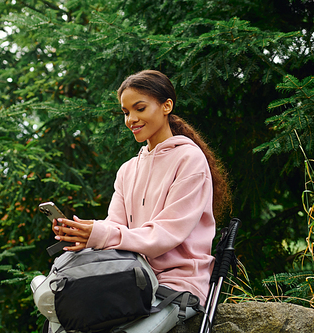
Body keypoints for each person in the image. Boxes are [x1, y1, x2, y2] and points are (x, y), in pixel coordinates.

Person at [51, 70, 231, 333]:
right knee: (67, 321)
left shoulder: (189, 160)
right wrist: (83, 236)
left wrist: (101, 234)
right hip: (130, 279)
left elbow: (165, 235)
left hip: (177, 285)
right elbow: (116, 228)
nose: (131, 119)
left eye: (140, 108)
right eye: (126, 112)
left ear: (166, 106)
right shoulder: (128, 170)